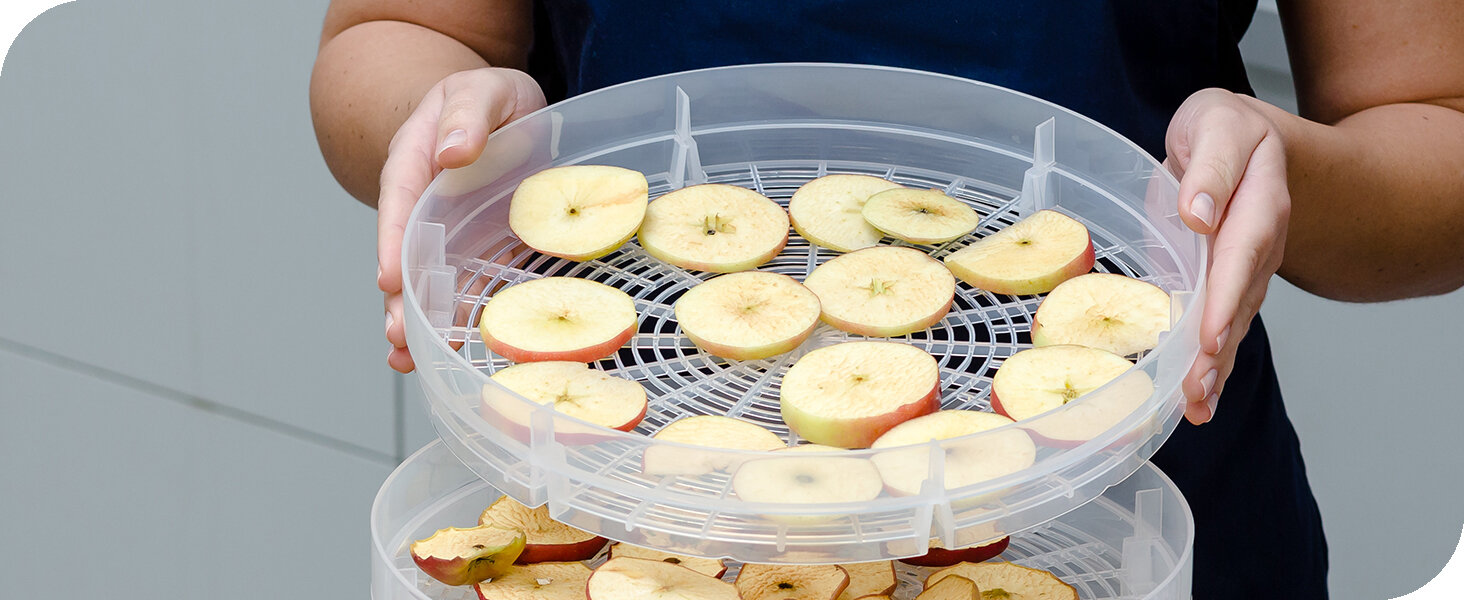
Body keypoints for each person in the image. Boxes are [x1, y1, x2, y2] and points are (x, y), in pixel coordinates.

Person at [309, 2, 1464, 597]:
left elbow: (1433, 132)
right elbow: (398, 31)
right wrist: (458, 122)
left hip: (1125, 511)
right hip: (636, 509)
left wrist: (1276, 161)